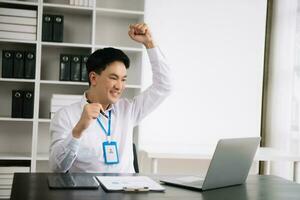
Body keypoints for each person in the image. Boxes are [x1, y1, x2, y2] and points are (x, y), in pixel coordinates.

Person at [49, 23, 172, 173]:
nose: (119, 86)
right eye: (114, 78)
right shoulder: (66, 116)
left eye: (123, 79)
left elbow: (164, 86)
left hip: (126, 193)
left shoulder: (129, 110)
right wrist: (78, 130)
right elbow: (56, 169)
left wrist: (149, 43)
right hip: (88, 194)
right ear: (93, 78)